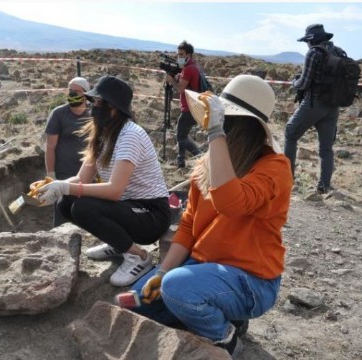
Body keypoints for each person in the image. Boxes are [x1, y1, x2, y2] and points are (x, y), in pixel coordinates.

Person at [129, 75, 293, 356]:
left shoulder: (275, 168)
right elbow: (189, 225)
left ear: (240, 126)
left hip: (251, 279)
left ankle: (225, 337)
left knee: (178, 290)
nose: (211, 125)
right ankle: (218, 311)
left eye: (222, 120)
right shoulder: (208, 165)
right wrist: (162, 271)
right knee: (138, 302)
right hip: (206, 267)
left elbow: (232, 203)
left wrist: (216, 133)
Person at [36, 75, 171, 287]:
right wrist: (56, 188)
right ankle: (119, 244)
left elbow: (115, 190)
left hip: (150, 213)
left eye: (97, 102)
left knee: (83, 207)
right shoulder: (103, 134)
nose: (92, 107)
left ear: (113, 107)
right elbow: (81, 179)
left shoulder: (130, 135)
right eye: (93, 102)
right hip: (127, 207)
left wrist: (64, 186)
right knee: (66, 203)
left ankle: (139, 257)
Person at [284, 24, 339, 194]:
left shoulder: (314, 53)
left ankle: (286, 180)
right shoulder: (337, 52)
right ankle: (324, 186)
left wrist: (294, 82)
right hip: (333, 106)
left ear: (312, 39)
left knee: (290, 133)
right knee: (326, 148)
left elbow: (304, 83)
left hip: (314, 103)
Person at [44, 77, 91, 227]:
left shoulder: (94, 114)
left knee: (85, 211)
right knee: (61, 211)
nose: (72, 94)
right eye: (70, 90)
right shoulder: (58, 114)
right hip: (64, 173)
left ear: (86, 93)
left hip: (87, 174)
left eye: (76, 91)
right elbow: (50, 146)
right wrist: (51, 174)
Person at [165, 40, 202, 169]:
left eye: (181, 54)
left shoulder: (188, 69)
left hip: (189, 108)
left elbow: (180, 89)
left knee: (181, 136)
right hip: (193, 106)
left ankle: (201, 157)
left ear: (189, 55)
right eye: (178, 54)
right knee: (183, 135)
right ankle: (180, 161)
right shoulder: (194, 67)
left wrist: (171, 81)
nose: (179, 57)